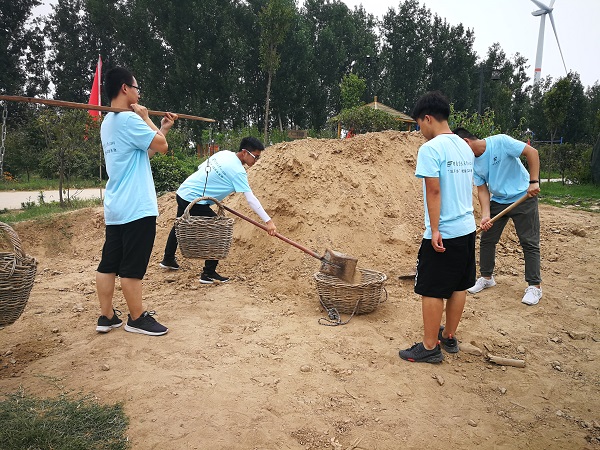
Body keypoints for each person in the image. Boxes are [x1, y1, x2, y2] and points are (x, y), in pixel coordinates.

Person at [95, 67, 177, 336]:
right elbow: (163, 147)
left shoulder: (108, 122)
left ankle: (107, 316)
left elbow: (145, 153)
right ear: (125, 88)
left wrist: (162, 128)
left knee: (109, 264)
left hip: (117, 206)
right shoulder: (130, 120)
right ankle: (137, 318)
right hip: (136, 207)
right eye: (137, 88)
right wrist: (146, 118)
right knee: (132, 266)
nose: (139, 94)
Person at [399, 91, 476, 364]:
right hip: (467, 228)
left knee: (431, 288)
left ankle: (430, 347)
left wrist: (434, 230)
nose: (420, 131)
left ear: (428, 118)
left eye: (419, 124)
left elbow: (433, 190)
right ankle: (449, 336)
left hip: (445, 231)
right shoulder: (464, 146)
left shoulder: (430, 149)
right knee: (459, 285)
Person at [159, 137, 277, 283]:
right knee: (218, 229)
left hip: (183, 191)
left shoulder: (224, 154)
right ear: (245, 152)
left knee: (179, 224)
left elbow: (201, 168)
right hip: (195, 200)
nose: (257, 160)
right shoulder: (238, 171)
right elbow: (251, 199)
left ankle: (168, 259)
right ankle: (208, 273)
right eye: (256, 156)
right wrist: (268, 221)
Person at [453, 128, 542, 305]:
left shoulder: (501, 142)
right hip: (499, 200)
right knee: (487, 239)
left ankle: (535, 286)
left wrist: (533, 181)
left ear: (466, 142)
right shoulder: (472, 162)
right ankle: (487, 277)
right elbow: (482, 190)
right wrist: (485, 215)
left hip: (524, 196)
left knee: (529, 242)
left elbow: (532, 152)